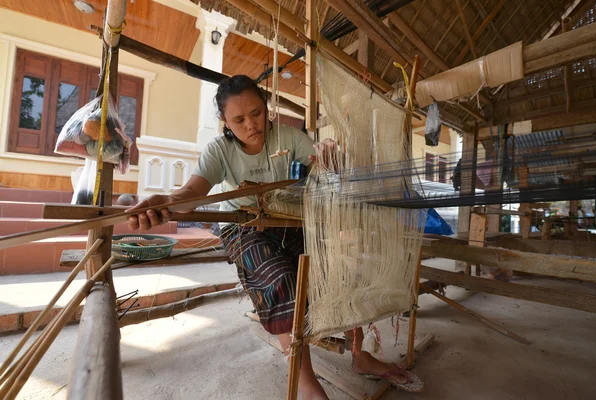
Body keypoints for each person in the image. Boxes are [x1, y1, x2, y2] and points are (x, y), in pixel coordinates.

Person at [127, 75, 421, 398]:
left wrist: (328, 154)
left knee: (335, 268)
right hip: (243, 226)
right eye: (238, 119)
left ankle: (359, 354)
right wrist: (167, 202)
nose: (251, 124)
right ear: (224, 121)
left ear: (266, 107)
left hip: (284, 219)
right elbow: (192, 192)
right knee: (282, 280)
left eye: (256, 113)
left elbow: (322, 161)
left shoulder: (286, 137)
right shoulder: (219, 152)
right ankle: (306, 383)